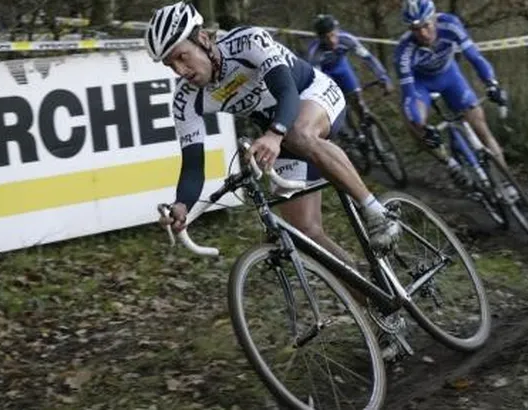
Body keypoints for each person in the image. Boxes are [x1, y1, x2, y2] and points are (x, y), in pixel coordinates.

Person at [146, 2, 400, 259]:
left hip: (313, 95)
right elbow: (192, 166)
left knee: (298, 133)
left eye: (181, 57)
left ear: (202, 38)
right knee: (304, 233)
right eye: (170, 65)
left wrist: (275, 134)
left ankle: (376, 212)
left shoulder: (247, 42)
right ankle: (364, 292)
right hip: (281, 135)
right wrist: (182, 204)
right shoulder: (185, 100)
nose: (180, 70)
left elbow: (286, 91)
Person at [394, 0, 509, 186]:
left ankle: (506, 182)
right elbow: (409, 95)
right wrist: (421, 126)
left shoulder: (450, 25)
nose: (422, 33)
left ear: (434, 19)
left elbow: (475, 57)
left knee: (481, 126)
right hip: (421, 85)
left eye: (426, 25)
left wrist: (492, 84)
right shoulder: (403, 52)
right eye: (415, 29)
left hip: (450, 76)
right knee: (415, 124)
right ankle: (449, 162)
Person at [308, 14, 394, 131]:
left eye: (333, 35)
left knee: (357, 100)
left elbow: (368, 58)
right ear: (320, 38)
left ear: (337, 30)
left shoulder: (347, 39)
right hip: (325, 73)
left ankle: (368, 129)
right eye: (326, 38)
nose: (332, 41)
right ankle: (345, 131)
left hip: (342, 68)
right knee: (336, 104)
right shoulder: (315, 52)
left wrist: (383, 76)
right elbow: (316, 79)